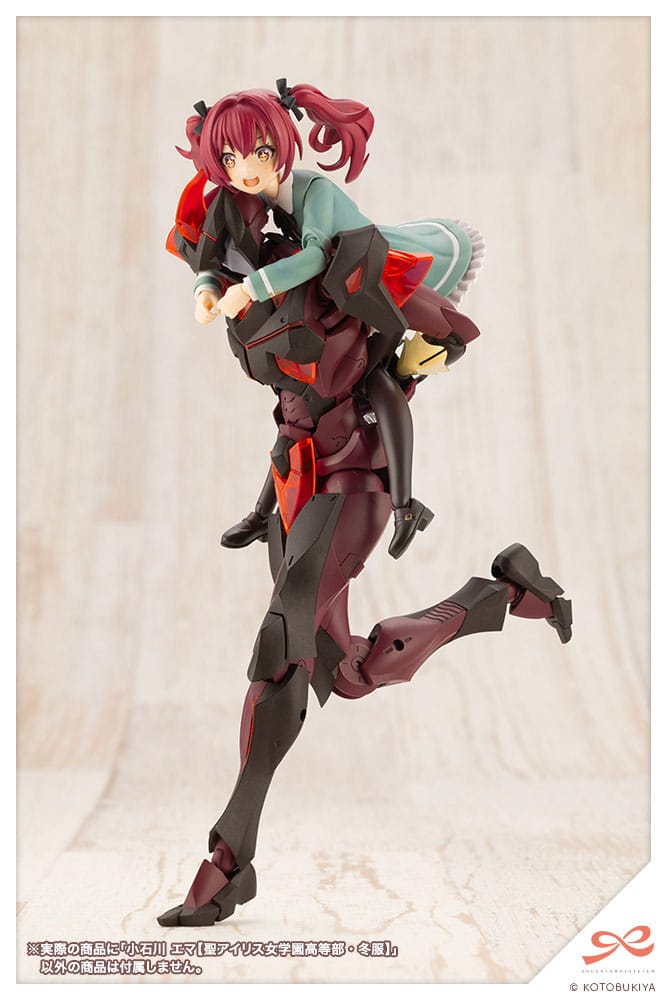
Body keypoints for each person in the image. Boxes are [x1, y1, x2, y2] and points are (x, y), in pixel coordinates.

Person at [158, 81, 572, 927]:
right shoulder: (242, 272)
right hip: (297, 483)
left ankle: (228, 861)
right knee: (344, 674)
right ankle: (499, 594)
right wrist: (260, 505)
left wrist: (408, 460)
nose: (247, 173)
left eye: (259, 154)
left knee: (279, 647)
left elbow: (429, 348)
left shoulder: (341, 266)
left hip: (357, 481)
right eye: (231, 161)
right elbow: (291, 417)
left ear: (282, 152)